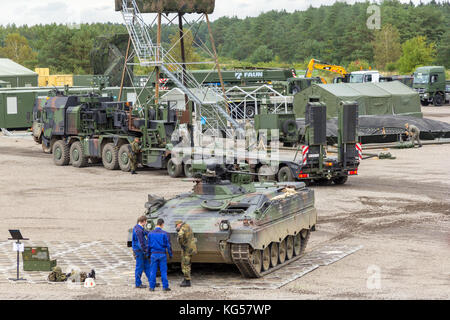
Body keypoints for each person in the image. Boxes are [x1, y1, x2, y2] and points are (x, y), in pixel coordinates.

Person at [148, 218, 172, 292]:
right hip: (162, 254)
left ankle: (152, 287)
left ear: (156, 224)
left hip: (153, 254)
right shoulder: (164, 233)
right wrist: (170, 254)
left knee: (153, 271)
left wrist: (148, 254)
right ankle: (165, 287)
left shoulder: (150, 233)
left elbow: (148, 245)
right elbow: (168, 245)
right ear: (162, 224)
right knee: (163, 271)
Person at [175, 220, 197, 287]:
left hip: (186, 249)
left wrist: (181, 243)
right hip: (191, 248)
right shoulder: (188, 226)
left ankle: (187, 281)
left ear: (178, 224)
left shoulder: (183, 228)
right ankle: (187, 279)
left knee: (185, 264)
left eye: (176, 226)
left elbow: (180, 236)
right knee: (188, 263)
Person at [132, 216, 151, 289]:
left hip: (141, 251)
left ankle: (152, 281)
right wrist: (146, 251)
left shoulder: (138, 228)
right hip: (140, 252)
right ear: (143, 221)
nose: (146, 223)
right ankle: (138, 284)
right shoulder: (139, 230)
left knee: (147, 266)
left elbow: (146, 232)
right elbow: (140, 243)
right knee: (139, 267)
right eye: (146, 221)